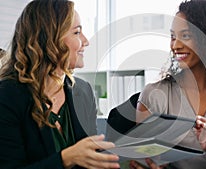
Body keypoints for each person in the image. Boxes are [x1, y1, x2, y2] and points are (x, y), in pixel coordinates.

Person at [131, 0, 206, 169]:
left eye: (186, 36)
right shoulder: (154, 95)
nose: (175, 45)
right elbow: (139, 160)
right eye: (173, 36)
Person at [0, 0, 120, 168]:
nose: (86, 41)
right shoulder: (7, 96)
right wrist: (66, 158)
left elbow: (92, 159)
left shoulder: (83, 91)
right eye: (77, 32)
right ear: (50, 39)